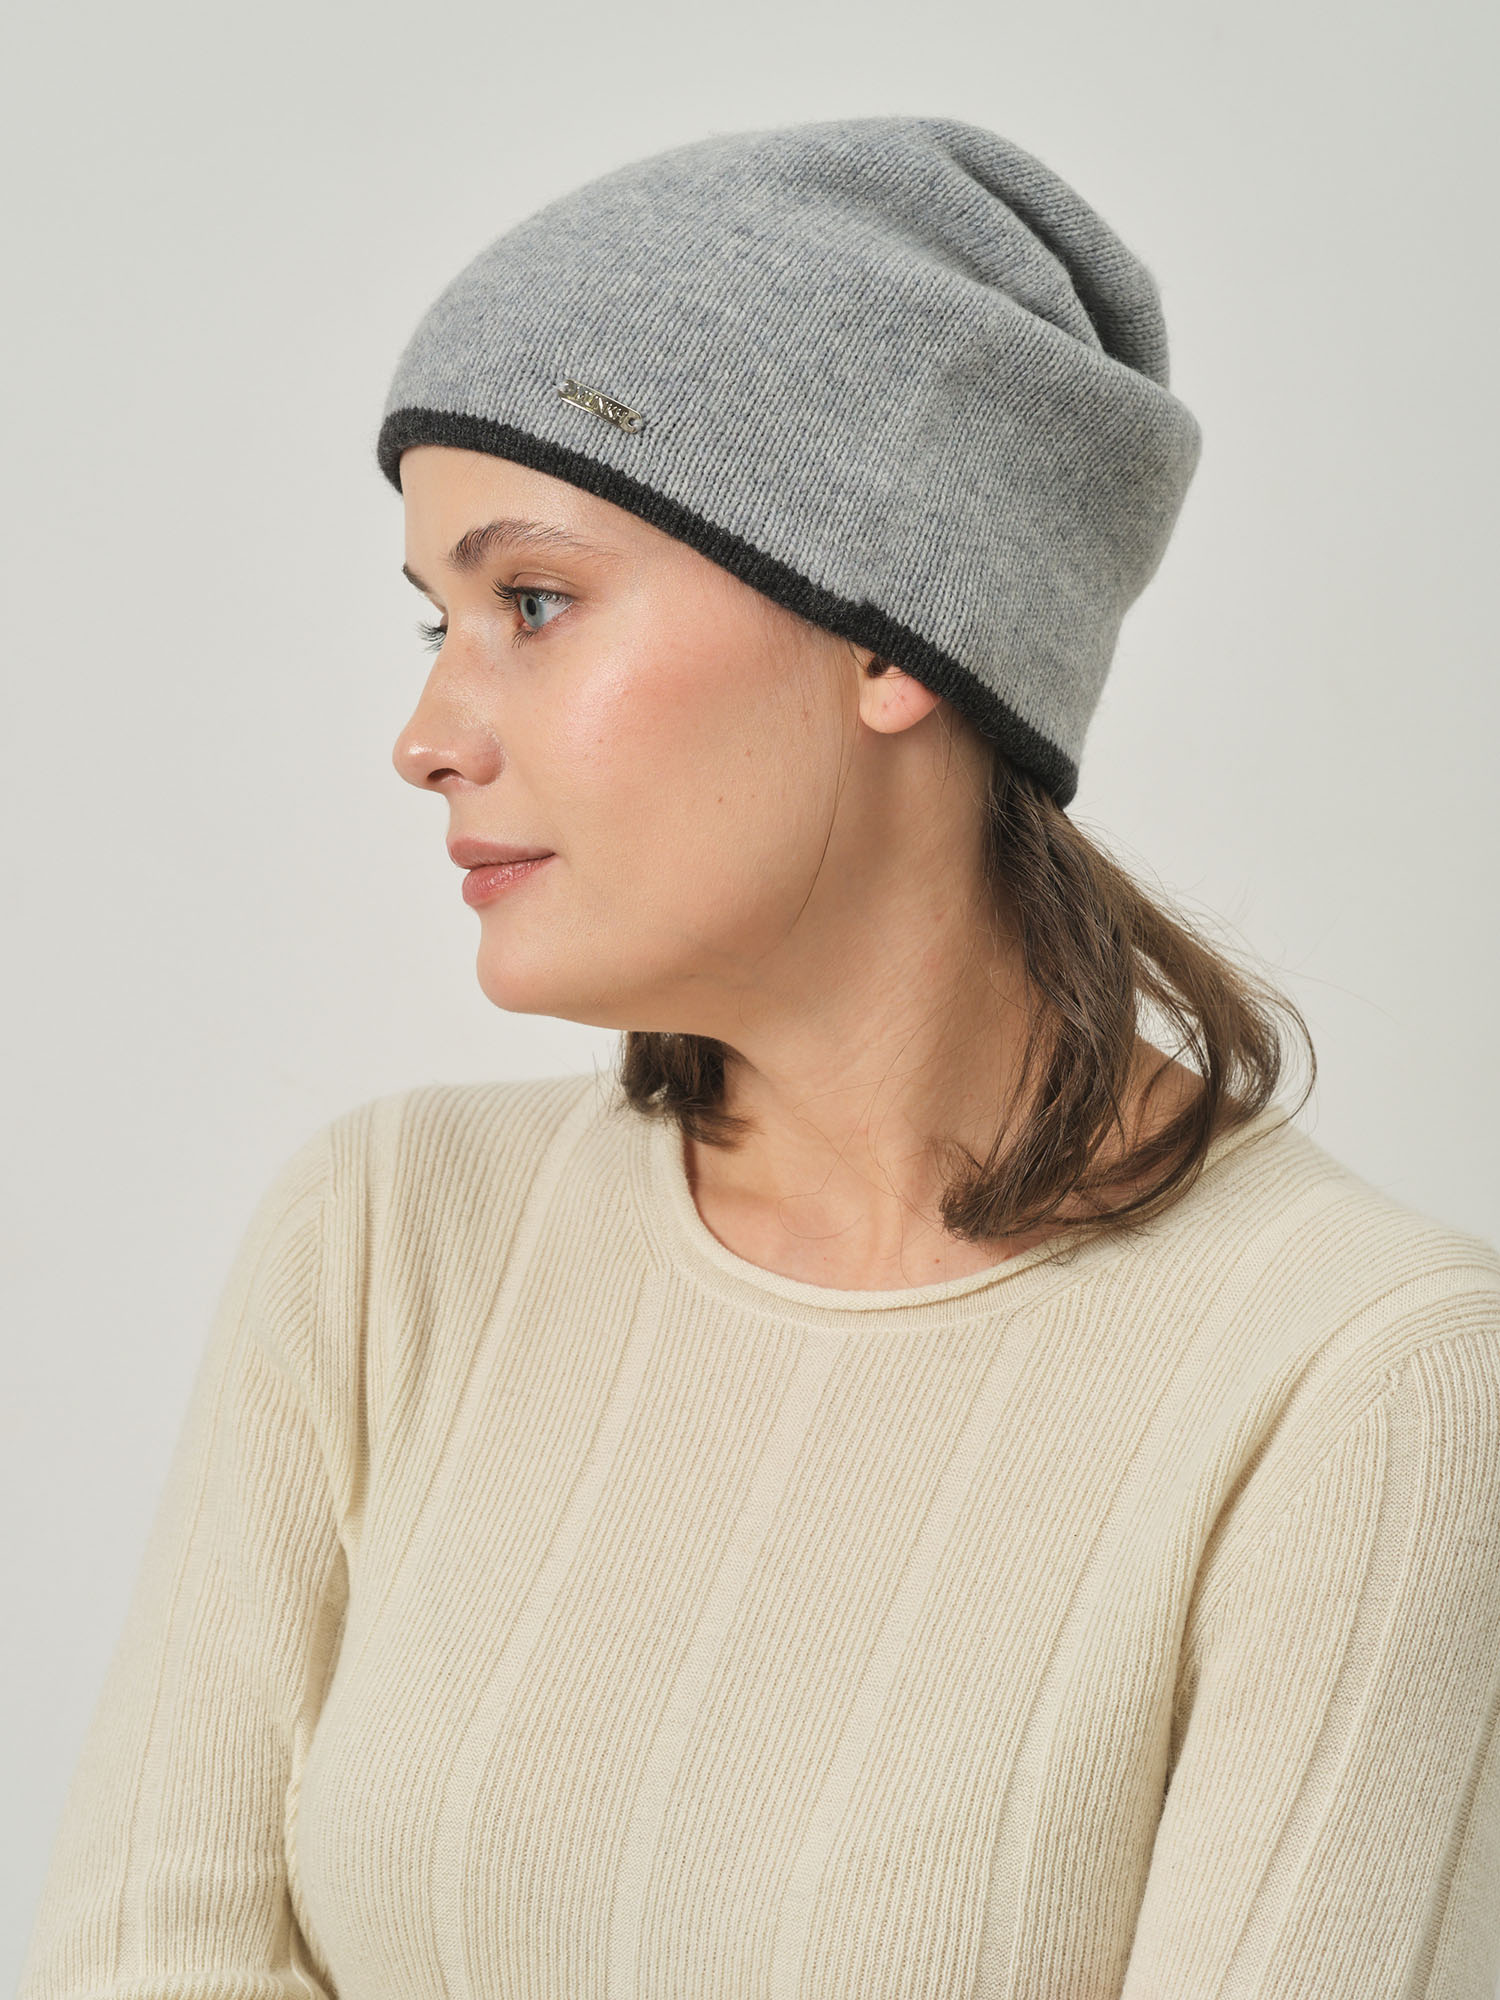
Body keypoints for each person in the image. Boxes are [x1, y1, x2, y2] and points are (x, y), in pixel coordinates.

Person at [19, 115, 1500, 2000]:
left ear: (890, 632)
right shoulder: (390, 1239)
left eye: (530, 602)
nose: (427, 732)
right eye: (434, 620)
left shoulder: (1363, 1381)